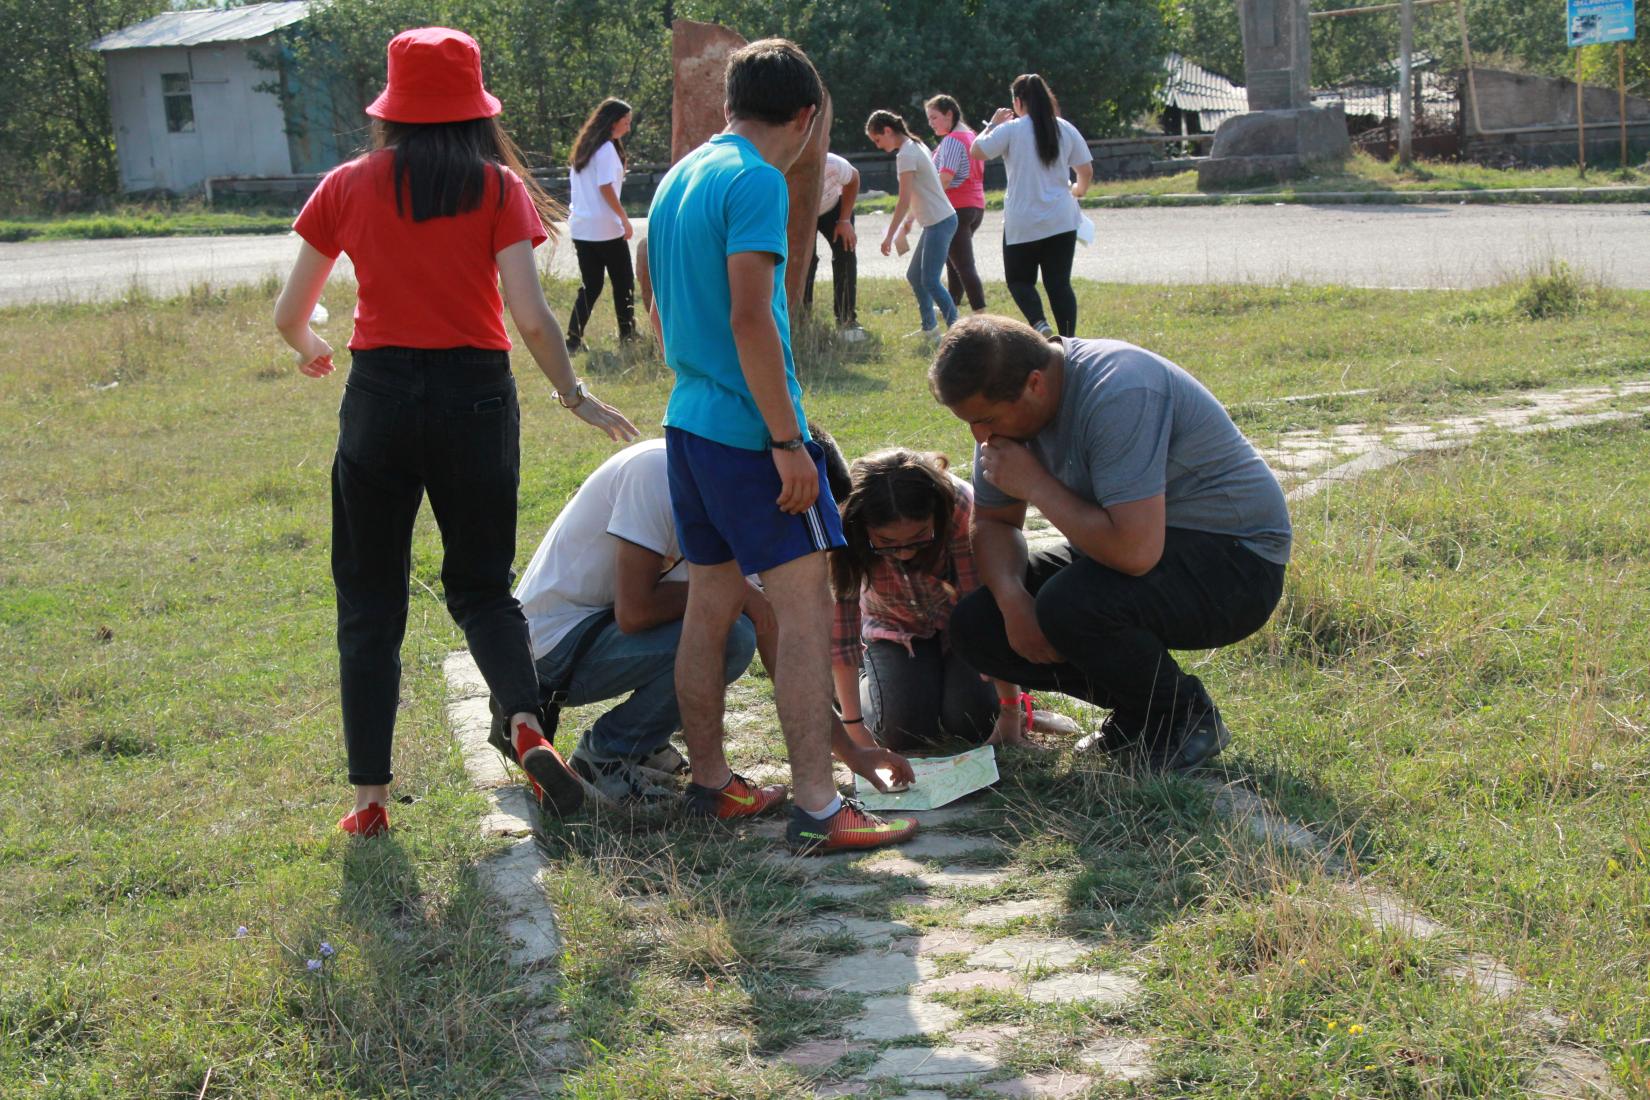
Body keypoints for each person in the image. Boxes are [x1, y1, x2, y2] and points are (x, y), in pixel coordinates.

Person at [273, 27, 638, 838]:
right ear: (475, 110)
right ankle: (523, 723)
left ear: (390, 109)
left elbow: (289, 313)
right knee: (480, 587)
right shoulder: (497, 188)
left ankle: (369, 802)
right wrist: (575, 396)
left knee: (370, 601)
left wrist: (312, 348)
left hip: (379, 398)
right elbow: (534, 318)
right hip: (476, 397)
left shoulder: (344, 185)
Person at [646, 38, 918, 853]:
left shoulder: (677, 176)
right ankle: (817, 807)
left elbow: (661, 309)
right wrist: (786, 438)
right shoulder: (757, 180)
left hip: (686, 421)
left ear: (730, 103)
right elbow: (752, 315)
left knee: (712, 600)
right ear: (806, 118)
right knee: (803, 612)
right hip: (745, 433)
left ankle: (711, 783)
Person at [929, 315, 1292, 771]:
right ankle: (1143, 710)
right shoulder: (1007, 419)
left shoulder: (1119, 390)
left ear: (1035, 384)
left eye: (985, 419)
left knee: (1069, 604)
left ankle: (1183, 715)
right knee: (977, 624)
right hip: (1143, 545)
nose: (980, 438)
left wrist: (1037, 485)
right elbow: (995, 524)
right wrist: (1011, 599)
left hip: (1239, 562)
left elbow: (1134, 554)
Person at [513, 435, 915, 803]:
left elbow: (780, 648)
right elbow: (635, 612)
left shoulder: (745, 505)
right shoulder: (655, 472)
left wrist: (850, 750)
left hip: (598, 641)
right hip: (547, 652)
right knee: (730, 634)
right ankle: (605, 756)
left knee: (731, 624)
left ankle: (643, 743)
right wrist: (738, 593)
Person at [830, 448, 1040, 751]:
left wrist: (1009, 710)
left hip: (960, 625)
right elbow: (842, 632)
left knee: (975, 721)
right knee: (900, 732)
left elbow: (982, 610)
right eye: (886, 543)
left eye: (919, 537)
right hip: (893, 627)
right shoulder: (843, 522)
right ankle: (862, 679)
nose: (903, 553)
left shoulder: (960, 506)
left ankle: (996, 688)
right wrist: (854, 728)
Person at [971, 74, 1093, 338]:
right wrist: (1078, 191)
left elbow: (977, 150)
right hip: (1061, 219)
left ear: (1018, 101)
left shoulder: (1011, 129)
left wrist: (991, 125)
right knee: (1059, 283)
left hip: (1023, 221)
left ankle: (1039, 324)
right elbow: (1085, 170)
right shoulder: (1064, 127)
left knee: (1019, 281)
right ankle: (1069, 340)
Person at [865, 110, 957, 342]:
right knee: (915, 276)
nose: (877, 145)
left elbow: (904, 198)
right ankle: (930, 330)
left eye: (877, 139)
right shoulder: (916, 145)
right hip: (935, 221)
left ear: (887, 131)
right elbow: (922, 190)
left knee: (930, 281)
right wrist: (909, 221)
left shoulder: (906, 154)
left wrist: (889, 236)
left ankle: (958, 332)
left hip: (940, 221)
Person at [564, 97, 636, 352]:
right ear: (612, 122)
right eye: (625, 122)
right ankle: (628, 337)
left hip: (582, 228)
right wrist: (624, 219)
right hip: (605, 229)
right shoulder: (605, 150)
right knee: (624, 281)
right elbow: (605, 187)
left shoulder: (585, 148)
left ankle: (573, 339)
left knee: (592, 285)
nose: (628, 127)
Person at [924, 95, 987, 314]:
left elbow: (945, 178)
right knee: (953, 261)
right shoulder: (971, 136)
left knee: (964, 265)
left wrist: (927, 200)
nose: (930, 123)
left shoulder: (952, 140)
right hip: (976, 206)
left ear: (949, 114)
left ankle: (981, 314)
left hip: (957, 207)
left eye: (934, 117)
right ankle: (951, 305)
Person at [803, 151, 865, 342]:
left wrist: (844, 220)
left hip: (834, 207)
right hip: (803, 214)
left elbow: (853, 179)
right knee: (806, 262)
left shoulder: (833, 163)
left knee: (846, 254)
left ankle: (847, 319)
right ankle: (802, 317)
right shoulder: (787, 167)